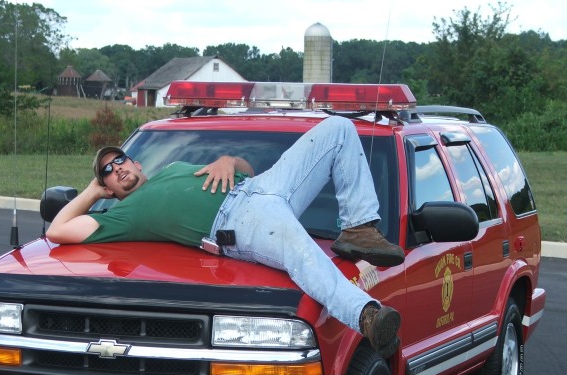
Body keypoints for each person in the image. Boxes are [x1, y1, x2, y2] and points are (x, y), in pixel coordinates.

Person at [46, 116, 404, 358]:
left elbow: (250, 169)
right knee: (304, 256)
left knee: (339, 128)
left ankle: (360, 227)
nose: (117, 168)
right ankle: (367, 316)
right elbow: (57, 230)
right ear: (107, 187)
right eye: (106, 172)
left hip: (263, 186)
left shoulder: (173, 168)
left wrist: (229, 160)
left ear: (136, 163)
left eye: (120, 159)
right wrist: (92, 193)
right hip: (240, 221)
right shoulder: (123, 216)